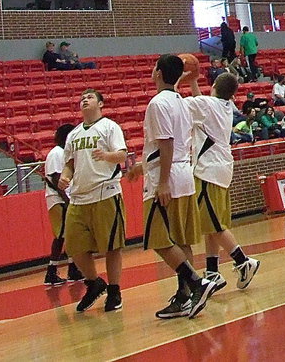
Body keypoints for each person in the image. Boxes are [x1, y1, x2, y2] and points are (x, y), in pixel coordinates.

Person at [132, 54, 216, 320]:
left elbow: (165, 144)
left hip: (166, 176)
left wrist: (162, 182)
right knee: (181, 239)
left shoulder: (157, 104)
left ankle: (196, 283)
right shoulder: (182, 101)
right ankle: (184, 297)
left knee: (158, 239)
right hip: (184, 172)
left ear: (157, 72)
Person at [184, 71, 261, 292]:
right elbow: (202, 105)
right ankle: (212, 272)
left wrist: (179, 78)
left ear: (215, 86)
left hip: (208, 170)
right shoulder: (225, 106)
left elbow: (180, 105)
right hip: (221, 168)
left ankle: (243, 261)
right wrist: (193, 82)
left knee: (215, 225)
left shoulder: (207, 105)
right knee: (212, 224)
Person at [60, 89, 127, 313]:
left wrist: (106, 156)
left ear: (101, 104)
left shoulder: (110, 127)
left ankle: (115, 290)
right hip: (79, 196)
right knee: (74, 246)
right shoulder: (74, 134)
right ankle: (94, 282)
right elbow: (69, 162)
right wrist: (65, 175)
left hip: (104, 191)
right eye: (81, 98)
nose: (84, 100)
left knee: (112, 246)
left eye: (89, 97)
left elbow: (122, 155)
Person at [43, 123, 84, 286]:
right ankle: (51, 271)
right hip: (57, 199)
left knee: (69, 234)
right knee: (61, 235)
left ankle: (72, 268)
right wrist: (67, 200)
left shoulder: (65, 154)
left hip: (65, 197)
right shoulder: (56, 153)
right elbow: (54, 178)